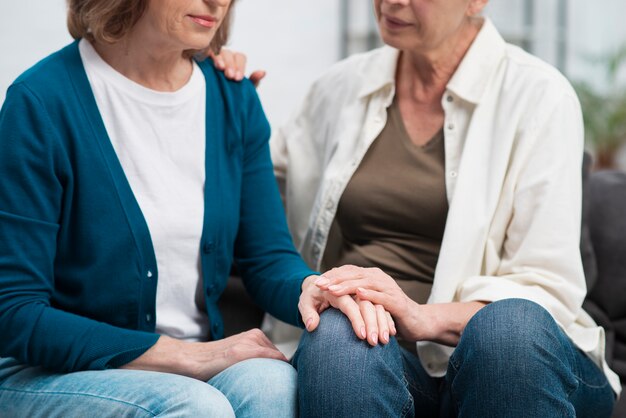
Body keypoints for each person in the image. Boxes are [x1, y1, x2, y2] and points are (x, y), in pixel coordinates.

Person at [217, 0, 621, 416]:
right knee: (340, 332)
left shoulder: (539, 97)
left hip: (513, 359)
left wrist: (423, 317)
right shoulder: (339, 88)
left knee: (507, 330)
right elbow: (248, 195)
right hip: (380, 356)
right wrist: (212, 96)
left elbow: (547, 290)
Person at [0, 0, 395, 416]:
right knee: (196, 408)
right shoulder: (41, 103)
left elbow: (266, 259)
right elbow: (15, 312)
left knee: (273, 384)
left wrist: (314, 290)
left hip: (192, 368)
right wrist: (187, 357)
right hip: (52, 372)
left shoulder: (231, 97)